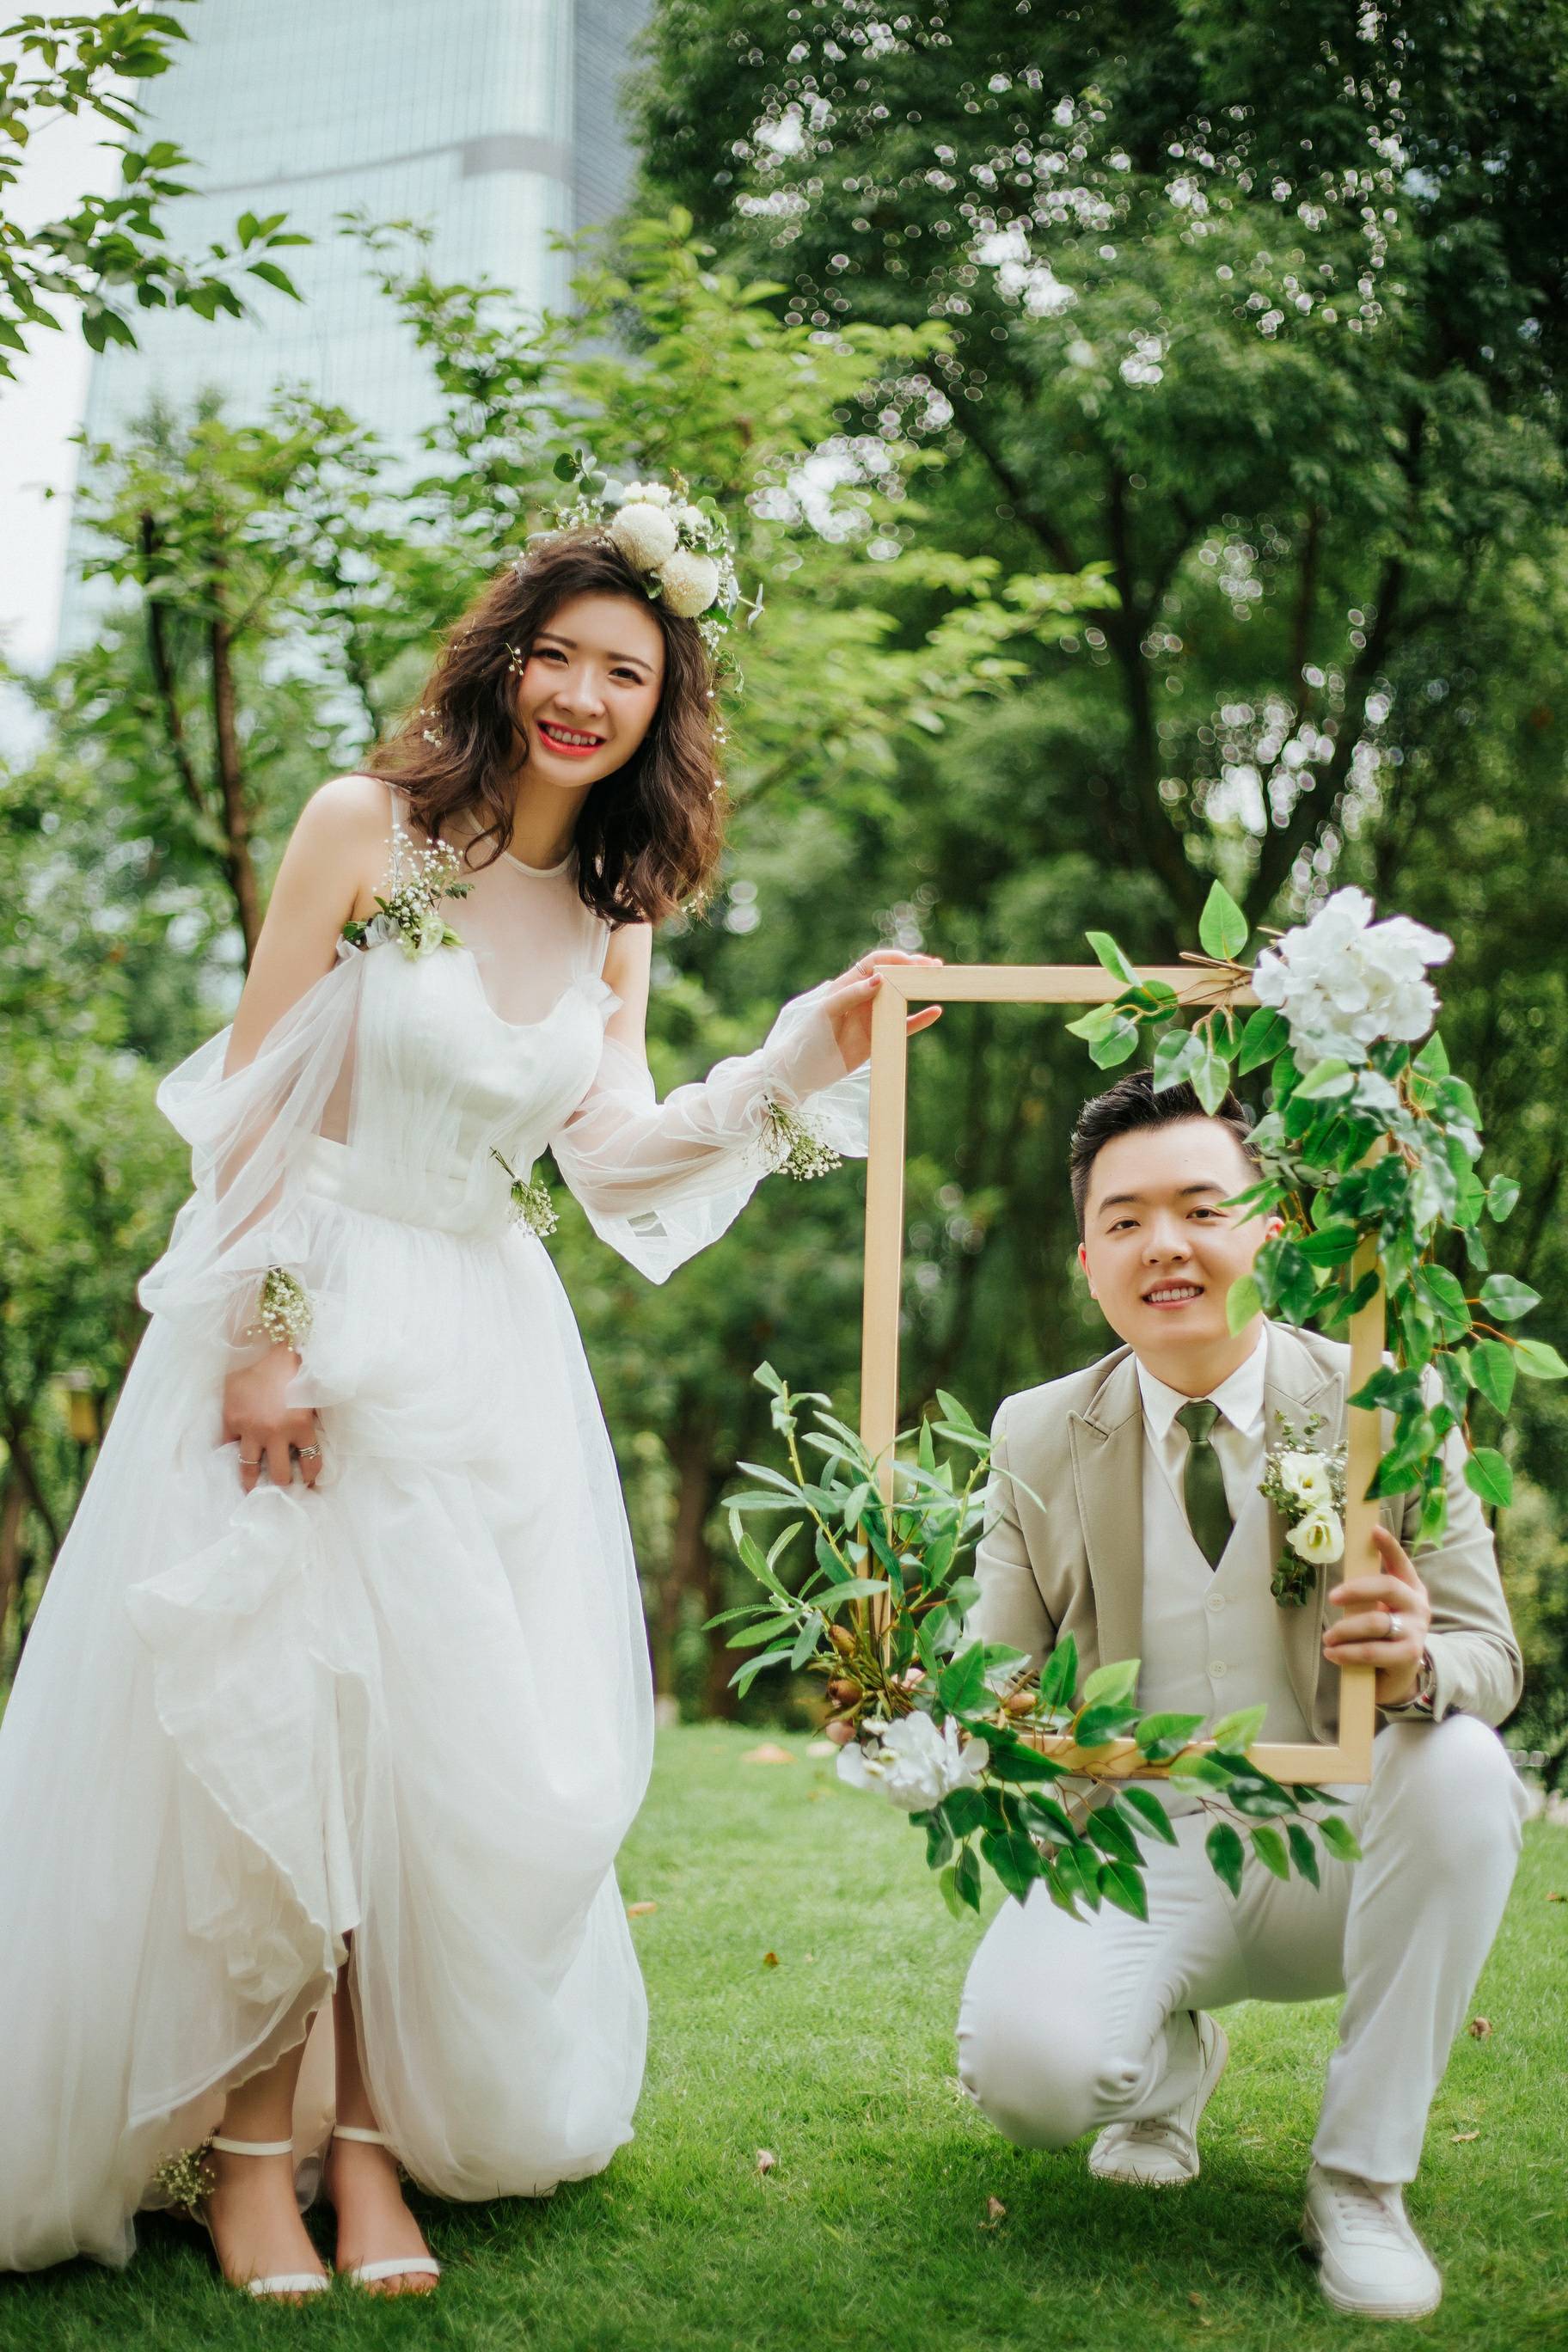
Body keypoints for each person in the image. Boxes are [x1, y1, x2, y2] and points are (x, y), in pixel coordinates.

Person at [0, 496, 940, 2297]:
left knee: (442, 1767)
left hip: (488, 1346)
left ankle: (370, 2156)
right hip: (311, 1301)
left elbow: (616, 1153)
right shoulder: (362, 827)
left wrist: (802, 1050)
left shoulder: (613, 909)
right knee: (296, 1727)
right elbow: (254, 1100)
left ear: (663, 709)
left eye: (626, 673)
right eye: (558, 656)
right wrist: (264, 1331)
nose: (583, 695)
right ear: (505, 662)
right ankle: (249, 2158)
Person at [958, 1069, 1528, 2323]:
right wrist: (914, 1689)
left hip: (1339, 1839)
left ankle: (1360, 2182)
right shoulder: (1034, 1433)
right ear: (1087, 1262)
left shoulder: (1386, 1403)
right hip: (1138, 1839)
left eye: (1201, 1209)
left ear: (1270, 1229)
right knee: (1027, 2079)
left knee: (1465, 1765)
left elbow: (1493, 1659)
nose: (1164, 1245)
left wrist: (1417, 1664)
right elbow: (996, 1680)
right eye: (1124, 1221)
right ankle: (1165, 2062)